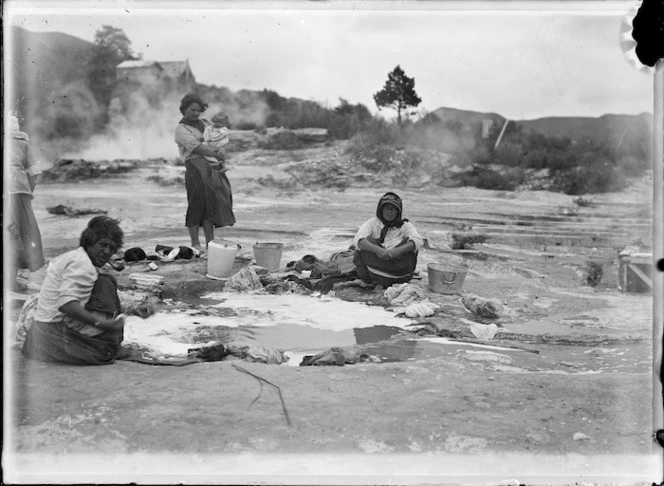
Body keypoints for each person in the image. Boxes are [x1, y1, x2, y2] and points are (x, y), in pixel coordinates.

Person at [22, 216, 152, 365]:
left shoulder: (76, 258)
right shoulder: (83, 265)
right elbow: (67, 305)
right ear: (89, 242)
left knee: (102, 282)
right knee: (105, 283)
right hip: (52, 338)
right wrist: (103, 324)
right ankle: (105, 344)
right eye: (103, 245)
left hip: (38, 339)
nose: (106, 252)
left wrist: (132, 310)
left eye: (111, 248)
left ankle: (101, 341)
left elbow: (86, 304)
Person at [5, 114, 45, 290]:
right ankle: (12, 281)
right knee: (19, 234)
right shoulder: (23, 144)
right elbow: (35, 173)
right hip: (19, 191)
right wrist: (28, 191)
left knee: (9, 233)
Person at [352, 192, 423, 287]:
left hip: (399, 273)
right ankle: (369, 281)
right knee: (365, 243)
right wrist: (378, 250)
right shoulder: (372, 223)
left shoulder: (405, 226)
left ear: (398, 211)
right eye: (387, 208)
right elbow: (358, 240)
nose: (390, 212)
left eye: (393, 209)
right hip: (377, 271)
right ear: (380, 210)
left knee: (410, 243)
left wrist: (396, 251)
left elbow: (418, 240)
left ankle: (393, 279)